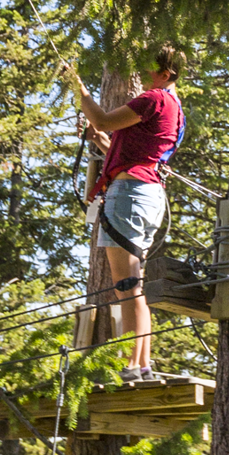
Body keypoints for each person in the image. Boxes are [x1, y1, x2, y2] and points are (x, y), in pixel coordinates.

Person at [66, 44, 187, 385]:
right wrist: (102, 140)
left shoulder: (155, 99)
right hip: (146, 195)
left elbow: (103, 118)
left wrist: (81, 90)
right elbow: (132, 153)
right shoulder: (173, 108)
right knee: (134, 285)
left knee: (127, 286)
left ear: (165, 74)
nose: (144, 78)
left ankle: (132, 365)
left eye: (150, 70)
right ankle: (141, 363)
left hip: (131, 195)